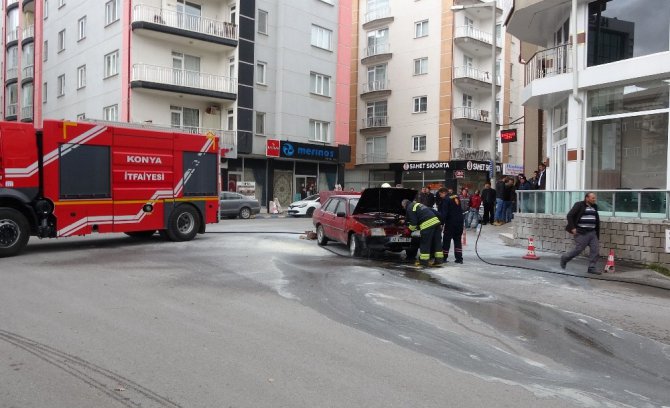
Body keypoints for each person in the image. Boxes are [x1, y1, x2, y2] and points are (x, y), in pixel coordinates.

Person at [560, 192, 601, 274]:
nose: (594, 199)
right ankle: (565, 258)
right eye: (592, 198)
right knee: (579, 249)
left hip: (592, 232)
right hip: (582, 232)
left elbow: (596, 219)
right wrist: (573, 228)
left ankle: (591, 267)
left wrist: (596, 232)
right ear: (587, 198)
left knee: (595, 250)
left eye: (594, 198)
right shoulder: (579, 205)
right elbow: (569, 215)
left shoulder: (594, 207)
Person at [402, 199, 444, 267]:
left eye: (403, 207)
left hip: (428, 225)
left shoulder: (410, 208)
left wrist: (408, 230)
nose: (403, 208)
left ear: (405, 205)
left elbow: (413, 223)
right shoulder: (418, 205)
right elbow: (436, 214)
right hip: (436, 224)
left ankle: (424, 262)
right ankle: (439, 260)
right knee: (437, 243)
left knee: (425, 243)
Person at [438, 188, 463, 264]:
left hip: (450, 223)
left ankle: (444, 258)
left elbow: (444, 214)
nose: (440, 196)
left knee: (446, 240)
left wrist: (441, 223)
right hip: (459, 222)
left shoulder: (446, 200)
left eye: (440, 194)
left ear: (444, 192)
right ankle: (459, 259)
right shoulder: (456, 197)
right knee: (457, 240)